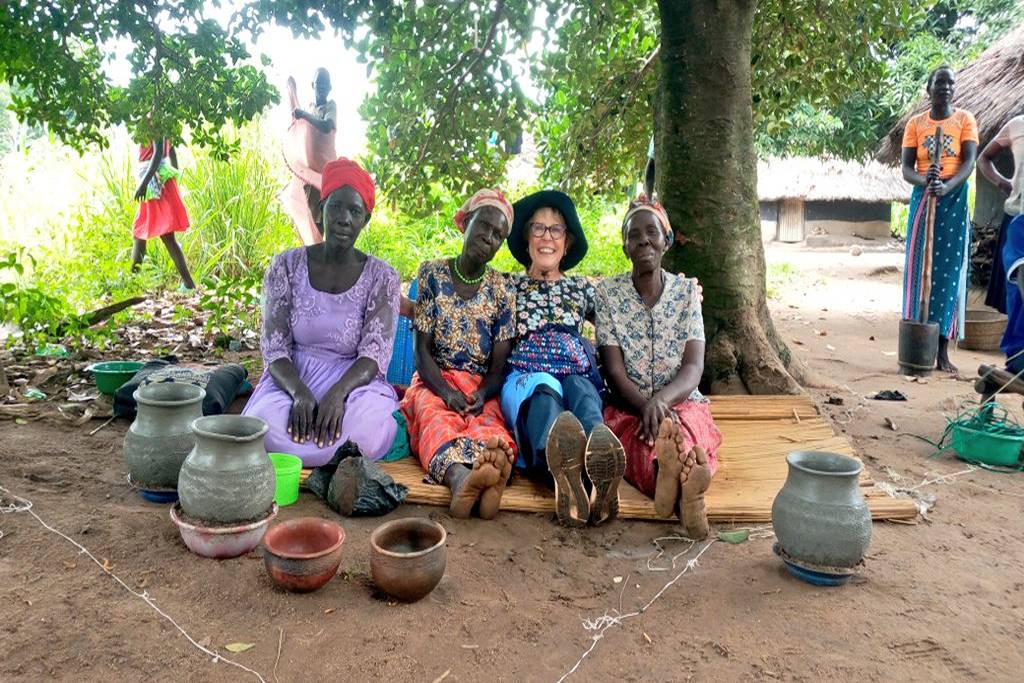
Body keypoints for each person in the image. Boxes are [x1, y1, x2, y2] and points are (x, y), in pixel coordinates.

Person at [243, 157, 400, 467]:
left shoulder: (383, 277)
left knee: (366, 432)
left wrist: (338, 394)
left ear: (365, 221)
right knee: (261, 426)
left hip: (353, 382)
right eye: (336, 207)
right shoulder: (285, 266)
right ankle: (328, 460)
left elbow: (374, 355)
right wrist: (299, 392)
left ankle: (322, 456)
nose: (344, 219)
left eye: (354, 211)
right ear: (321, 209)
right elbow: (274, 348)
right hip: (292, 376)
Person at [595, 196, 722, 540]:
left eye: (652, 232)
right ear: (625, 247)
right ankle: (681, 493)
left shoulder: (685, 293)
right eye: (634, 235)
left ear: (666, 241)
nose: (644, 240)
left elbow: (694, 366)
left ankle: (679, 485)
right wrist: (646, 406)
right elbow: (613, 370)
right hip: (629, 405)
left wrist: (662, 402)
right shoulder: (607, 294)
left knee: (692, 433)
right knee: (635, 443)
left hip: (680, 400)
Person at [500, 189, 625, 527]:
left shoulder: (583, 289)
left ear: (567, 243)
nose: (546, 237)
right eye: (537, 228)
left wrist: (682, 291)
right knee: (545, 392)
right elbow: (467, 301)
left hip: (575, 373)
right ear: (526, 239)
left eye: (556, 230)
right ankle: (560, 470)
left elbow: (623, 323)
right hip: (527, 377)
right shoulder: (507, 286)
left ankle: (599, 464)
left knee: (582, 390)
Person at [401, 189, 518, 520]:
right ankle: (461, 481)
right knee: (434, 417)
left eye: (499, 235)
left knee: (492, 428)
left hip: (481, 386)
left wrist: (481, 393)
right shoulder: (432, 274)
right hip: (435, 379)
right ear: (466, 222)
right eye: (484, 226)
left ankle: (490, 477)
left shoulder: (503, 289)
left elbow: (499, 366)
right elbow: (421, 353)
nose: (490, 238)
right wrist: (447, 392)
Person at [900, 65, 978, 373]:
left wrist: (945, 185)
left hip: (954, 198)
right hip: (923, 201)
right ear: (928, 88)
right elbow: (907, 169)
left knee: (947, 274)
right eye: (940, 82)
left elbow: (969, 161)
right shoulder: (915, 125)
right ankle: (916, 345)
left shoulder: (965, 120)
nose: (946, 87)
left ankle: (942, 349)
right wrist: (924, 181)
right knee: (918, 270)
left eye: (950, 83)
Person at [280, 67, 338, 245]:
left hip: (327, 177)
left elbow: (327, 126)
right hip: (310, 177)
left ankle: (328, 264)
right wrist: (292, 93)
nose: (321, 87)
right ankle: (313, 260)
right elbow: (298, 124)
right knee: (312, 220)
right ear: (312, 85)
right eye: (318, 83)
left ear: (329, 87)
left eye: (324, 84)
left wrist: (304, 115)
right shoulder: (310, 109)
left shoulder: (330, 106)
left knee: (329, 221)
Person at [131, 139, 195, 289]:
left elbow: (158, 153)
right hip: (158, 176)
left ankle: (189, 284)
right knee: (139, 232)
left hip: (155, 178)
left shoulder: (155, 118)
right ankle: (132, 282)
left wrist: (143, 184)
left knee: (165, 236)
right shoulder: (163, 118)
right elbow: (171, 150)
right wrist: (174, 173)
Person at [979, 114, 1024, 315]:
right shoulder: (1016, 126)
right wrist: (1001, 182)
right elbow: (984, 159)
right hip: (1016, 217)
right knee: (1014, 287)